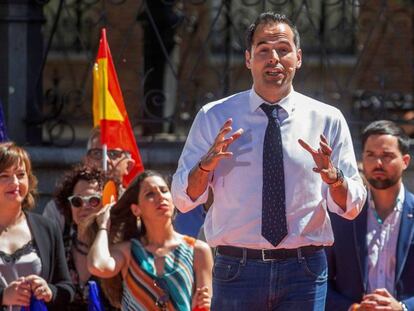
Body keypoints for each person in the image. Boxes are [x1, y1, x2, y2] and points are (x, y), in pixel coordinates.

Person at [171, 11, 366, 310]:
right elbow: (183, 199)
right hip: (237, 269)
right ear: (249, 59)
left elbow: (352, 206)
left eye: (283, 49)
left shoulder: (327, 119)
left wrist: (333, 177)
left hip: (305, 271)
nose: (274, 58)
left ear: (298, 58)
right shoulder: (215, 117)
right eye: (263, 50)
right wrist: (205, 166)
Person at [87, 170, 213, 310]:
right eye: (150, 194)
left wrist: (203, 305)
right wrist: (103, 225)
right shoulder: (128, 252)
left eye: (164, 191)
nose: (160, 196)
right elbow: (97, 266)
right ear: (136, 210)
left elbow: (204, 306)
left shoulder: (198, 250)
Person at [326, 120, 414, 311]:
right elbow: (318, 277)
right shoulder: (341, 213)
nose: (378, 163)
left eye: (387, 156)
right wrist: (353, 308)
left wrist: (403, 308)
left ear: (405, 161)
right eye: (371, 155)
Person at [0, 142, 74, 310]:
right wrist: (3, 296)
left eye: (20, 174)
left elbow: (67, 288)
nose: (15, 182)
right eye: (4, 175)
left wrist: (50, 291)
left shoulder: (47, 228)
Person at [43, 127, 135, 232]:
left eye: (113, 154)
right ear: (86, 161)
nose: (105, 160)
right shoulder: (58, 208)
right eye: (97, 153)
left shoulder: (136, 206)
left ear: (128, 166)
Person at [54, 165, 118, 310]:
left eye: (93, 200)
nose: (84, 206)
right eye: (77, 201)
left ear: (106, 203)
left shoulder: (116, 251)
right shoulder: (59, 248)